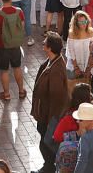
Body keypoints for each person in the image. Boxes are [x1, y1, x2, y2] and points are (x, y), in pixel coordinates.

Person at [30, 31, 68, 173]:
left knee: (46, 144)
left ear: (50, 48)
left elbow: (57, 97)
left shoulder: (56, 69)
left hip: (49, 116)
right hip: (45, 113)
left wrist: (50, 120)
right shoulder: (52, 62)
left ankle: (49, 168)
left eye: (45, 43)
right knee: (44, 142)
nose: (42, 44)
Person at [0, 0, 27, 101]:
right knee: (17, 68)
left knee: (4, 70)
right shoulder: (19, 11)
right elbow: (22, 27)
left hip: (2, 46)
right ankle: (21, 91)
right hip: (15, 45)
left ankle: (6, 94)